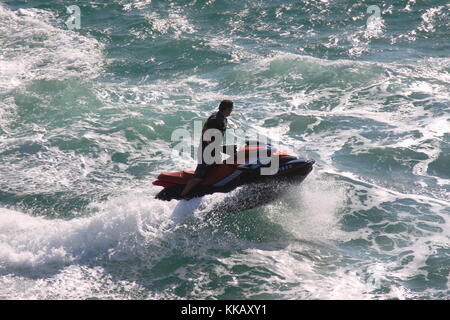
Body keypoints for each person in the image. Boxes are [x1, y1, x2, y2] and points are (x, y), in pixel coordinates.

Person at [180, 100, 234, 198]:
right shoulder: (216, 119)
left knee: (217, 169)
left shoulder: (222, 118)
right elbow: (206, 136)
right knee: (198, 177)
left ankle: (209, 189)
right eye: (231, 109)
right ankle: (183, 195)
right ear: (226, 109)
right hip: (206, 151)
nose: (232, 111)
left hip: (213, 151)